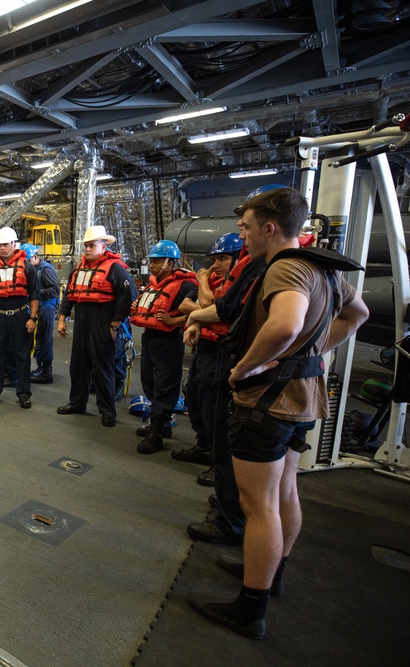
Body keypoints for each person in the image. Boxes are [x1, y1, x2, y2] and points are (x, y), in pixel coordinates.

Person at [187, 186, 368, 640]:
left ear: (269, 228)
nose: (242, 236)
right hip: (303, 397)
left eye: (246, 227)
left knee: (259, 505)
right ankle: (272, 573)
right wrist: (309, 355)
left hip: (268, 402)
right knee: (285, 490)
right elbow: (358, 313)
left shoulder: (284, 270)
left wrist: (248, 365)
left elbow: (285, 324)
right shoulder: (321, 269)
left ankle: (251, 608)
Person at [184, 241, 267, 545]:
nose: (216, 264)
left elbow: (221, 310)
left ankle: (231, 520)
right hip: (213, 352)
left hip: (230, 358)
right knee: (203, 410)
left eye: (222, 258)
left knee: (227, 434)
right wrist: (200, 313)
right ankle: (227, 505)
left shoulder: (269, 270)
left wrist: (201, 304)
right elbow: (195, 307)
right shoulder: (244, 275)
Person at [173, 234, 242, 476]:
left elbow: (215, 306)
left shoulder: (238, 283)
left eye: (223, 258)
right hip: (203, 350)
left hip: (223, 350)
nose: (216, 265)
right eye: (215, 259)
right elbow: (185, 306)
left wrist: (202, 281)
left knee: (216, 408)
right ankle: (204, 446)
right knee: (195, 398)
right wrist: (206, 310)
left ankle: (219, 460)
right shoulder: (215, 280)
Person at [56, 225, 135, 427]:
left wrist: (115, 324)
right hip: (82, 323)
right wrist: (63, 318)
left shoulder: (116, 269)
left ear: (104, 245)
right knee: (78, 367)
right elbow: (70, 295)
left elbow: (126, 298)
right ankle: (77, 403)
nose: (88, 249)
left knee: (103, 369)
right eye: (86, 246)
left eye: (92, 245)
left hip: (103, 323)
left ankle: (107, 411)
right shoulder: (79, 269)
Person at [129, 240, 197, 454]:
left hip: (168, 341)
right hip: (150, 338)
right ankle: (161, 425)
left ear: (171, 262)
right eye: (151, 262)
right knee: (149, 381)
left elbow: (197, 312)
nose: (152, 266)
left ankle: (157, 432)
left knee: (165, 386)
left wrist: (172, 320)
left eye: (157, 262)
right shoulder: (153, 284)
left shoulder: (187, 286)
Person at [0, 227, 39, 409]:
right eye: (0, 245)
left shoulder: (27, 267)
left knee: (22, 356)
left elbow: (34, 295)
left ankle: (24, 394)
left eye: (5, 245)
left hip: (20, 317)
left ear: (13, 244)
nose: (2, 248)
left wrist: (32, 318)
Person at [28, 244, 59, 384]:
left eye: (28, 260)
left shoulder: (45, 270)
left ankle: (46, 372)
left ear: (35, 256)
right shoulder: (34, 269)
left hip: (46, 309)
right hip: (38, 309)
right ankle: (41, 367)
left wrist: (36, 294)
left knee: (44, 340)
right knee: (38, 340)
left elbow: (54, 290)